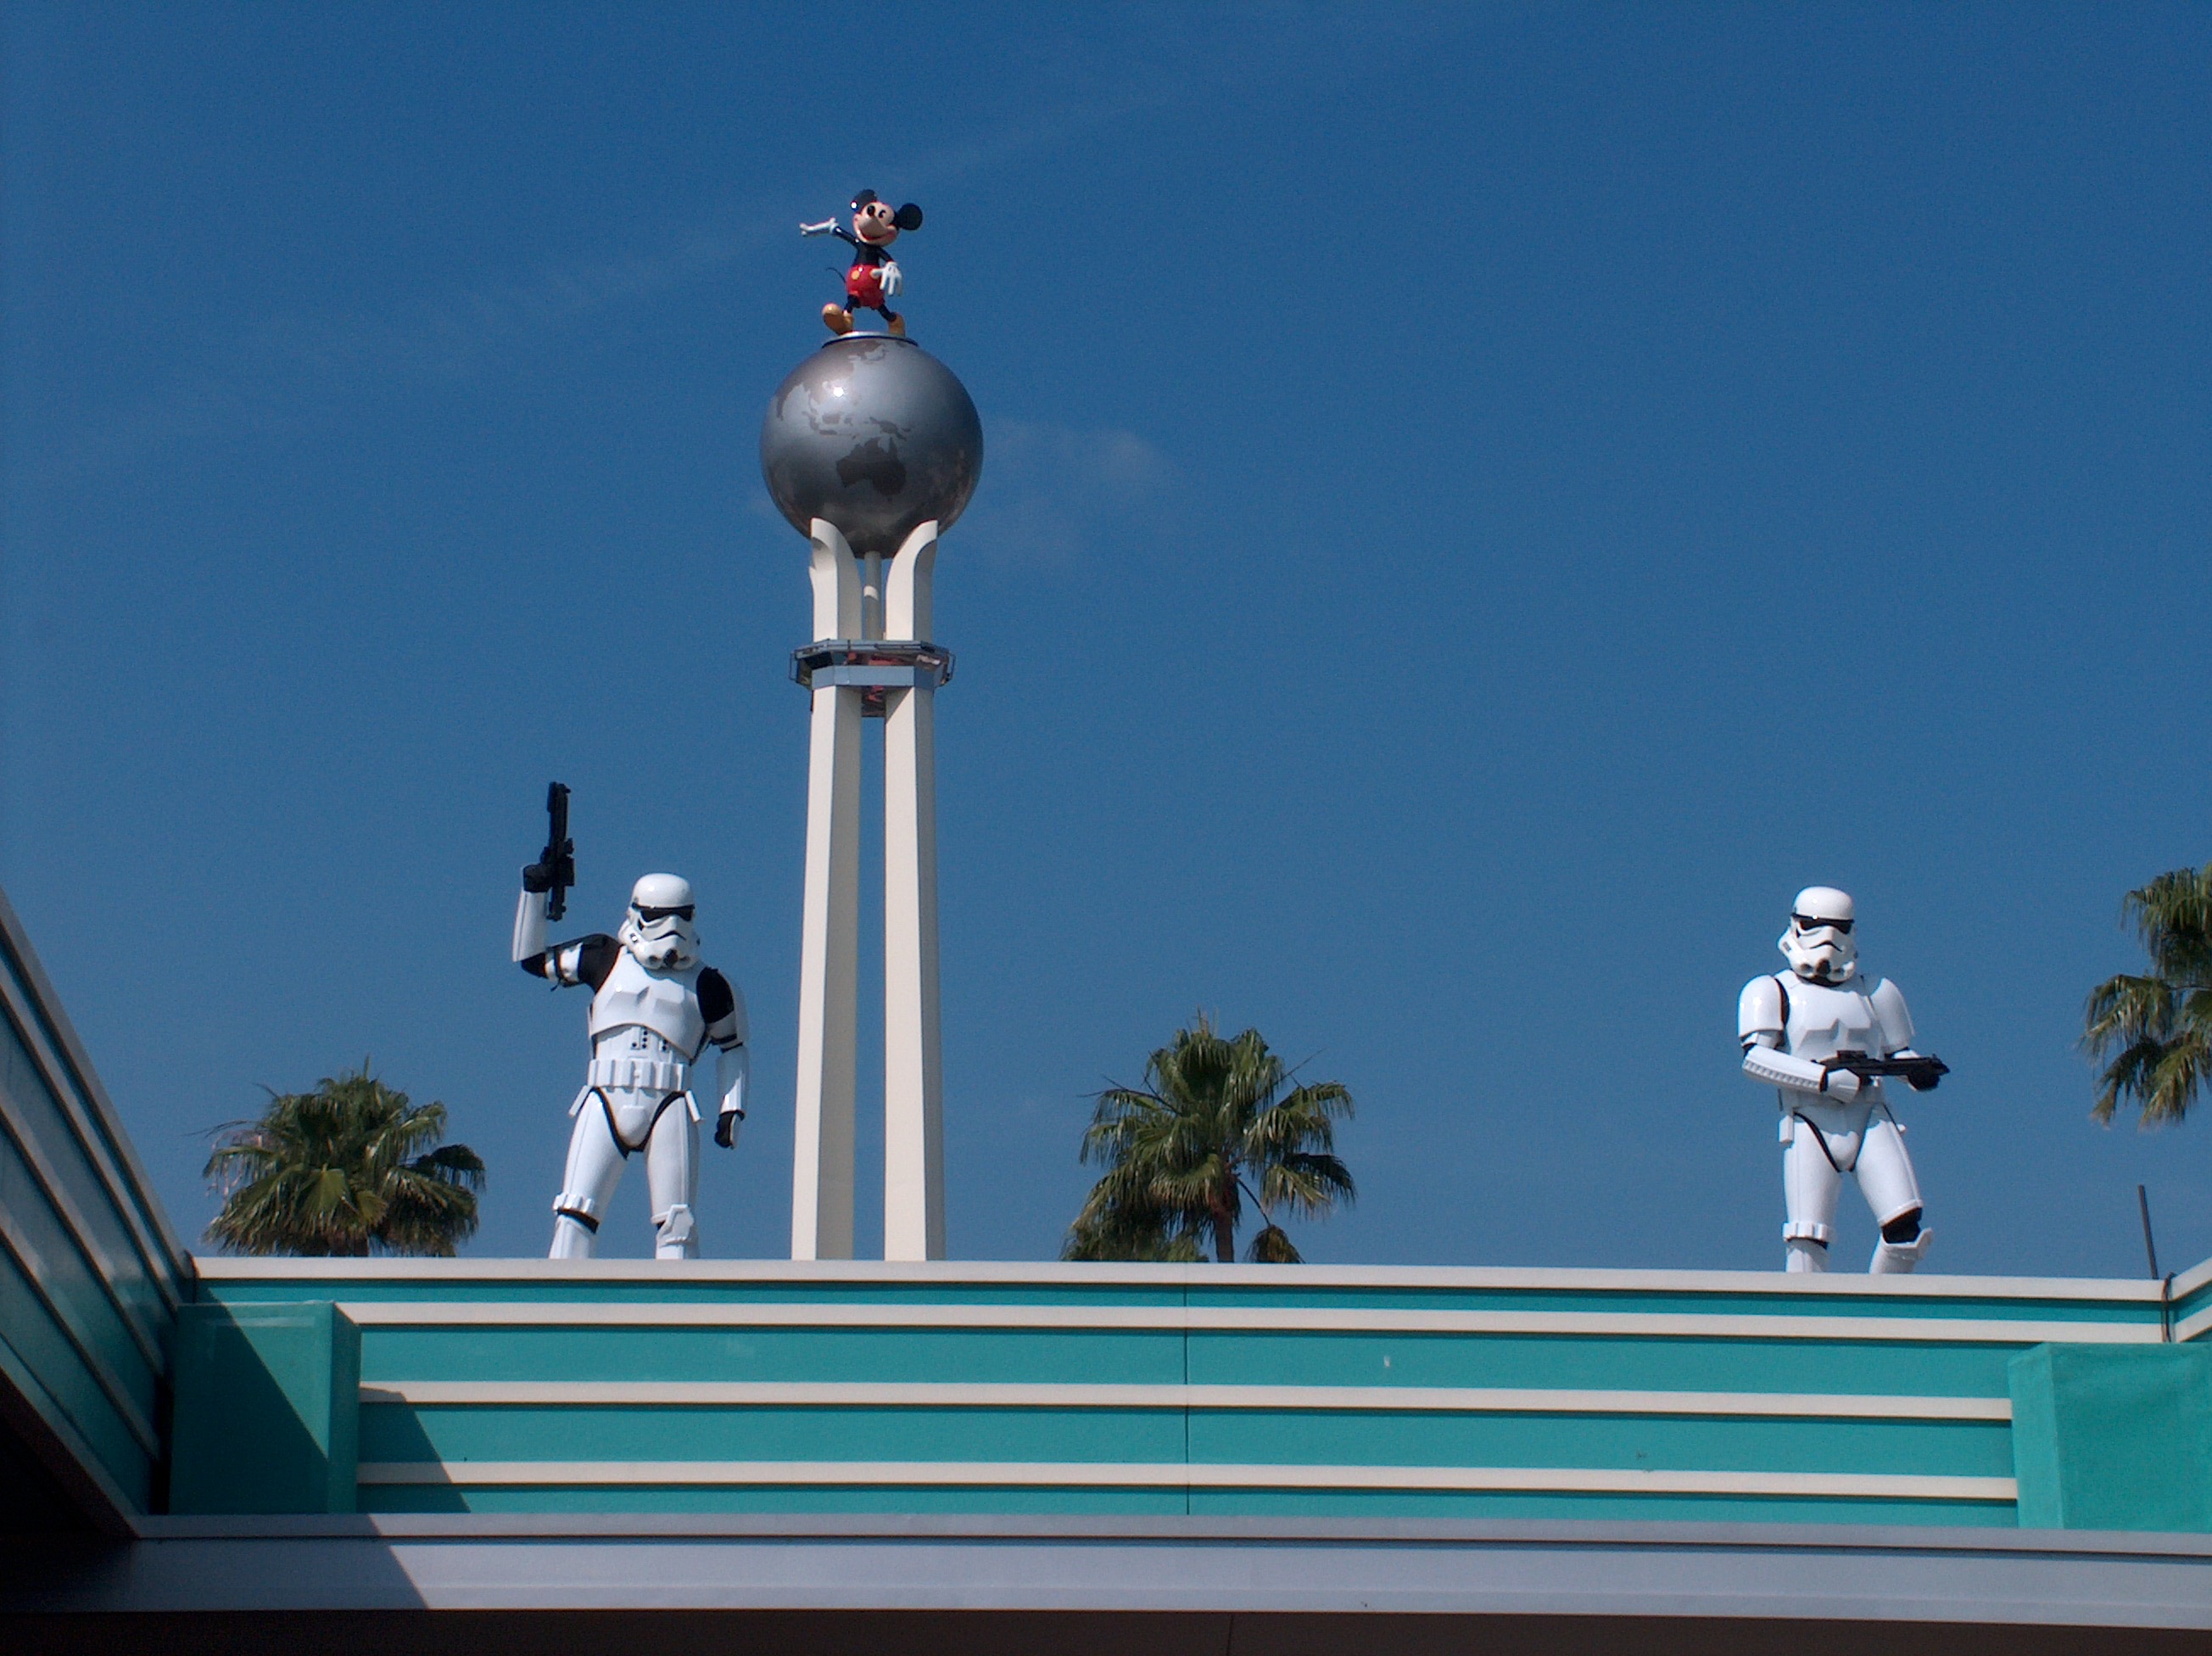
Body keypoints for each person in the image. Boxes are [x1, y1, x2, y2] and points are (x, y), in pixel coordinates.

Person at [513, 870, 748, 1259]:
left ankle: (676, 1316)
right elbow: (532, 960)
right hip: (605, 1095)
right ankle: (557, 1309)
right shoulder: (602, 957)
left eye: (681, 915)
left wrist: (732, 1108)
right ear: (637, 913)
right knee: (574, 1212)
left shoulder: (709, 983)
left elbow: (734, 1046)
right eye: (658, 915)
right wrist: (534, 892)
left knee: (677, 1225)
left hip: (670, 1101)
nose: (671, 927)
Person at [1739, 887, 1944, 1273]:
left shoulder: (1876, 992)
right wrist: (1823, 1079)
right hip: (1810, 1118)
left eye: (1839, 928)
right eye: (1817, 927)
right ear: (1797, 927)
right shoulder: (1771, 990)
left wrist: (1916, 1074)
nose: (1829, 940)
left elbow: (1897, 1053)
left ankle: (1883, 1317)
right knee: (1806, 1236)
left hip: (1870, 1115)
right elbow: (1755, 1059)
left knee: (1906, 1229)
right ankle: (1806, 1325)